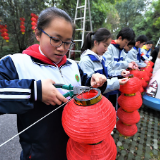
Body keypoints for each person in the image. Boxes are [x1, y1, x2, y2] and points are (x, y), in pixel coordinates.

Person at [0, 7, 107, 160]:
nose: (62, 48)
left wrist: (95, 81)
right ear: (38, 34)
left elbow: (85, 87)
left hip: (74, 150)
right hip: (39, 155)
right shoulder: (16, 63)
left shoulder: (73, 66)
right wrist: (34, 91)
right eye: (55, 40)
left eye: (68, 42)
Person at [79, 28, 129, 110]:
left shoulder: (101, 59)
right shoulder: (86, 61)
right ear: (96, 42)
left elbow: (108, 73)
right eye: (105, 45)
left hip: (101, 100)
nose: (106, 49)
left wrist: (120, 73)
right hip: (91, 105)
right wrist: (117, 82)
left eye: (108, 46)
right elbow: (93, 86)